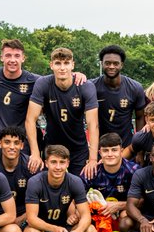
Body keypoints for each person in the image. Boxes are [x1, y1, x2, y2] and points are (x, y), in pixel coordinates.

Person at [26, 47, 100, 180]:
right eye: (58, 63)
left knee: (79, 187)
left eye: (66, 63)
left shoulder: (85, 86)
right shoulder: (43, 83)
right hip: (52, 146)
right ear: (51, 65)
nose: (62, 68)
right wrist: (35, 153)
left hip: (78, 148)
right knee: (50, 187)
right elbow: (30, 119)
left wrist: (93, 159)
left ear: (73, 65)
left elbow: (92, 124)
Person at [22, 144, 97, 232]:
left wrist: (78, 231)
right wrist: (54, 229)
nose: (58, 167)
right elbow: (31, 218)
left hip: (65, 230)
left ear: (68, 163)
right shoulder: (35, 182)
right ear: (46, 163)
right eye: (53, 162)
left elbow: (86, 216)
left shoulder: (75, 181)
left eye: (62, 162)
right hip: (42, 230)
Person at [86, 132, 141, 232]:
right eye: (105, 150)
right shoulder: (92, 171)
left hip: (124, 213)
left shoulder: (134, 170)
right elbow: (77, 195)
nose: (110, 154)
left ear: (121, 151)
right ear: (100, 152)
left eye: (114, 150)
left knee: (128, 215)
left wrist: (119, 205)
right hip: (101, 215)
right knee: (85, 213)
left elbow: (143, 199)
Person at [94, 45, 148, 148]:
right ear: (101, 64)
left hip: (126, 146)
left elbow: (140, 117)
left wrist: (139, 149)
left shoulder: (135, 88)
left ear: (121, 65)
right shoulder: (92, 87)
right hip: (100, 148)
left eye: (115, 63)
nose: (111, 66)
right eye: (107, 63)